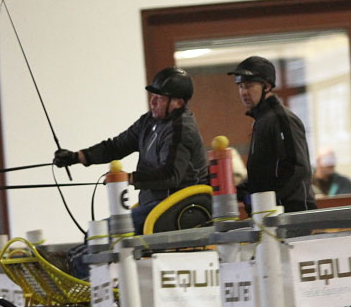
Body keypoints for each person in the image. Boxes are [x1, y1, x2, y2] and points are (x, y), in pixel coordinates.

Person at [53, 66, 207, 234]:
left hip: (178, 209)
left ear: (178, 102)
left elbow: (171, 175)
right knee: (96, 233)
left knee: (99, 233)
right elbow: (117, 145)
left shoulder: (181, 130)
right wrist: (78, 157)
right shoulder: (149, 121)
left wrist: (129, 178)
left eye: (159, 98)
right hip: (156, 206)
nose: (152, 102)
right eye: (152, 96)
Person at [227, 56, 315, 213]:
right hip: (269, 212)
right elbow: (266, 173)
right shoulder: (261, 120)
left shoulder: (281, 118)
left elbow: (296, 168)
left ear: (267, 86)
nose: (243, 92)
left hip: (290, 213)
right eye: (240, 86)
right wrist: (241, 191)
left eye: (249, 86)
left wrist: (265, 201)